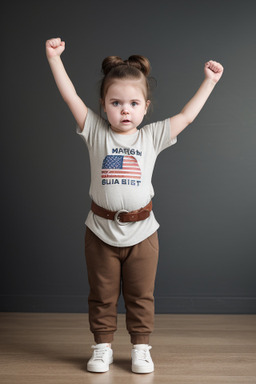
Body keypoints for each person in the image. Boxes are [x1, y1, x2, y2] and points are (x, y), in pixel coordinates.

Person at [45, 37, 224, 374]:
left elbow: (186, 116)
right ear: (102, 105)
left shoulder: (152, 136)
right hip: (100, 232)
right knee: (102, 294)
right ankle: (102, 347)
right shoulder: (95, 131)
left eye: (132, 103)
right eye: (115, 103)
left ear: (145, 106)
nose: (124, 110)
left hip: (143, 233)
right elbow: (69, 95)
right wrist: (54, 59)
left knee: (141, 295)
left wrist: (209, 81)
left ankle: (141, 348)